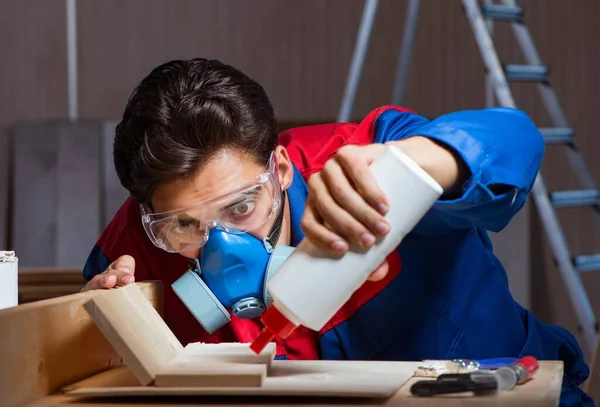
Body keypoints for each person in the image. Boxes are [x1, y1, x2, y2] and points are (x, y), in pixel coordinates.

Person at [81, 58, 592, 405]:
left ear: (280, 170)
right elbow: (80, 354)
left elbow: (513, 139)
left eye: (241, 206)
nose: (220, 244)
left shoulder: (365, 162)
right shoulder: (136, 242)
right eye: (187, 226)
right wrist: (93, 323)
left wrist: (417, 167)